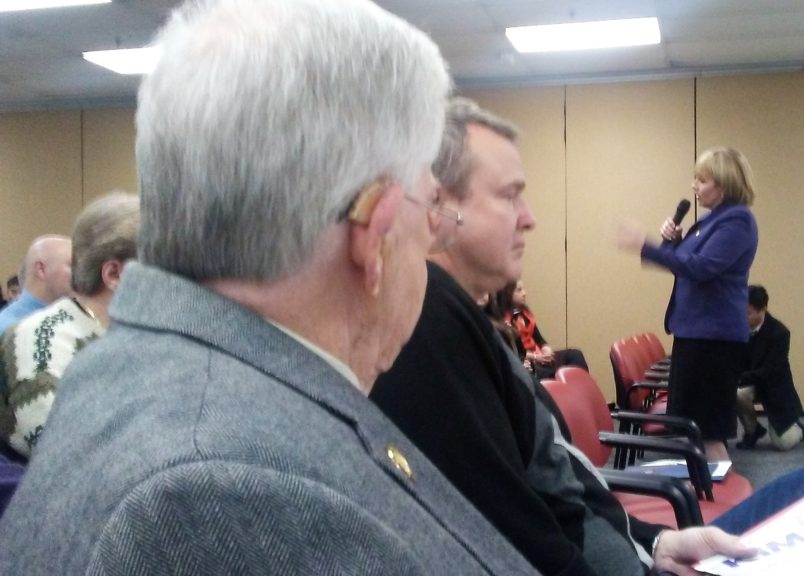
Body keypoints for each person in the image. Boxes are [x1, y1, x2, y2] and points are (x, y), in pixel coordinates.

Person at [0, 1, 540, 574]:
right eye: (430, 206)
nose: (434, 234)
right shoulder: (236, 492)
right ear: (374, 235)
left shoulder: (125, 371)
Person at [371, 98, 804, 576]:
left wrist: (656, 540)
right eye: (509, 195)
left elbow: (562, 491)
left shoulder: (464, 325)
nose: (529, 217)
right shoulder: (428, 326)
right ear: (437, 205)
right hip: (632, 562)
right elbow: (514, 527)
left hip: (642, 547)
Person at [617, 147, 758, 461]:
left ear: (724, 184)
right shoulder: (709, 221)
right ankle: (705, 488)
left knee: (708, 434)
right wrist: (671, 242)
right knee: (694, 431)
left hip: (713, 340)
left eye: (702, 180)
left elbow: (701, 268)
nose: (694, 186)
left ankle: (719, 491)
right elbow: (681, 263)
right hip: (695, 334)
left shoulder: (737, 221)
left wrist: (646, 245)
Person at [0, 193, 139, 459]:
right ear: (113, 274)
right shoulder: (43, 339)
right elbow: (63, 453)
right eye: (158, 270)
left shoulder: (124, 335)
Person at [736, 285, 804, 451]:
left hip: (774, 388)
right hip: (751, 382)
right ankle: (752, 431)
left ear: (762, 310)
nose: (743, 317)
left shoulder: (780, 333)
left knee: (783, 444)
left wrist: (738, 377)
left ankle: (798, 429)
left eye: (748, 313)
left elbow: (769, 371)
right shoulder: (738, 329)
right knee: (737, 394)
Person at [496, 279, 589, 378]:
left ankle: (582, 386)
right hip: (527, 361)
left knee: (575, 355)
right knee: (548, 373)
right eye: (519, 290)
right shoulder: (502, 320)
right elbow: (513, 352)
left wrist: (546, 348)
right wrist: (536, 357)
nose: (524, 293)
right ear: (507, 294)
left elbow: (539, 339)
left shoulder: (525, 314)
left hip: (539, 355)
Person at [0, 235, 72, 334]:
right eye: (72, 265)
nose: (81, 273)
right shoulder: (8, 331)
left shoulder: (73, 319)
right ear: (41, 269)